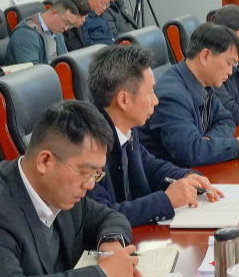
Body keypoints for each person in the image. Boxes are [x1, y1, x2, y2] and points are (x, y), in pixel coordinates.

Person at [0, 100, 139, 277]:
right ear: (45, 161)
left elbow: (110, 217)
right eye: (86, 172)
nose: (90, 184)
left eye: (96, 174)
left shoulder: (62, 190)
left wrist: (110, 246)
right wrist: (103, 276)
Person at [85, 44, 223, 226]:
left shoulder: (125, 128)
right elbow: (102, 215)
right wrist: (165, 201)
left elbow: (149, 166)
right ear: (124, 100)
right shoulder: (88, 145)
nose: (156, 101)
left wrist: (185, 176)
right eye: (150, 92)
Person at [145, 23, 239, 168]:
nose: (230, 71)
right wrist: (238, 145)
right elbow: (191, 153)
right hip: (174, 177)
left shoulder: (202, 82)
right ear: (205, 56)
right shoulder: (171, 96)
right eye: (229, 63)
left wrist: (208, 143)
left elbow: (226, 119)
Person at [5, 0, 75, 66]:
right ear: (53, 13)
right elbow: (32, 70)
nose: (66, 28)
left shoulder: (57, 32)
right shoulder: (25, 34)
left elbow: (66, 61)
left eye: (69, 25)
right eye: (66, 23)